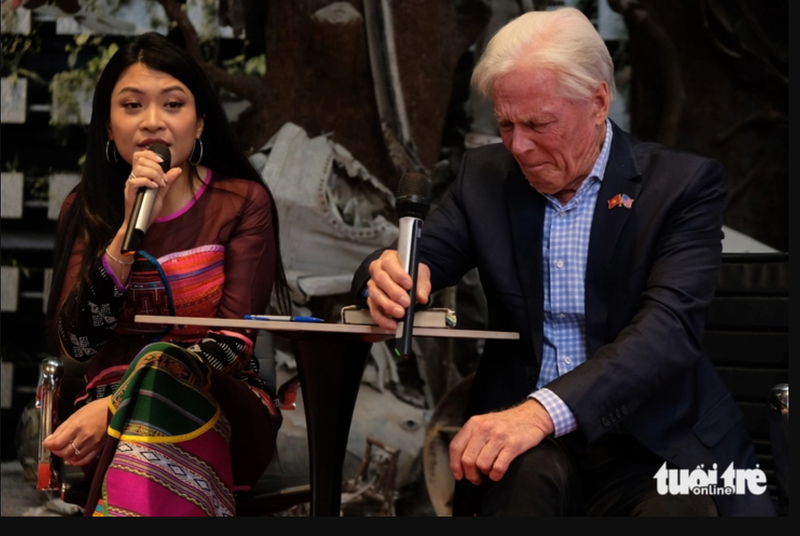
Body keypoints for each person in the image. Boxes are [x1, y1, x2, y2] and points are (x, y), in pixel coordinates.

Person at [353, 8, 775, 516]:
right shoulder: (485, 178)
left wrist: (542, 412)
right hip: (530, 443)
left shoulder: (680, 186)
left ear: (598, 102)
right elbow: (416, 259)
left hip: (658, 438)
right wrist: (385, 278)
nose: (519, 146)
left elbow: (667, 330)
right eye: (506, 124)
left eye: (538, 123)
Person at [42, 32, 290, 517]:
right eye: (132, 105)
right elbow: (77, 345)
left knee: (155, 378)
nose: (152, 122)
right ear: (109, 128)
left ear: (199, 123)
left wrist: (119, 407)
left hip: (222, 404)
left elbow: (232, 341)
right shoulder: (87, 208)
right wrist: (124, 240)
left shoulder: (242, 203)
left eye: (172, 104)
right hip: (103, 419)